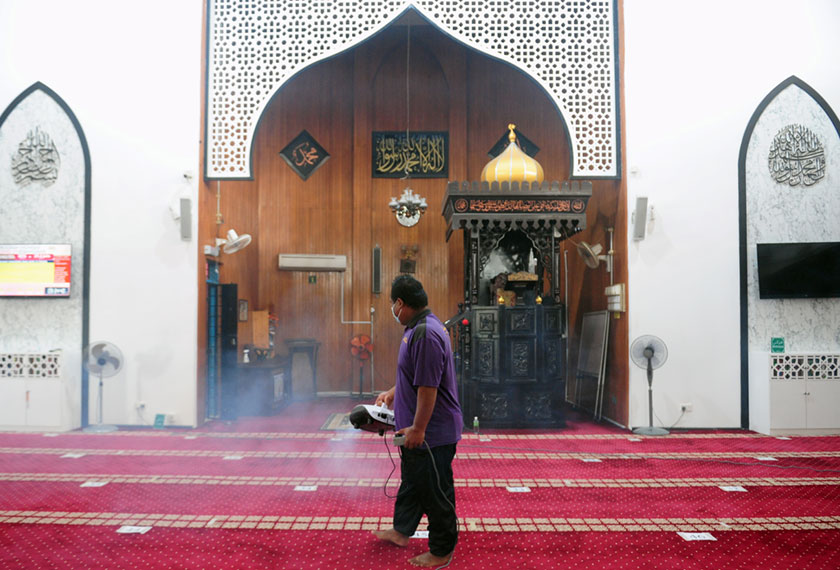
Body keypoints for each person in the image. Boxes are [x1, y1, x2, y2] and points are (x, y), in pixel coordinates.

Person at [373, 275, 463, 567]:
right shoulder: (417, 329)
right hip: (418, 430)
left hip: (432, 433)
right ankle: (402, 531)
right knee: (412, 482)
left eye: (393, 304)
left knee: (435, 491)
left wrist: (419, 428)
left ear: (400, 303)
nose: (393, 310)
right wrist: (393, 392)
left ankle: (441, 550)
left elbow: (428, 387)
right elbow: (416, 375)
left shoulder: (425, 334)